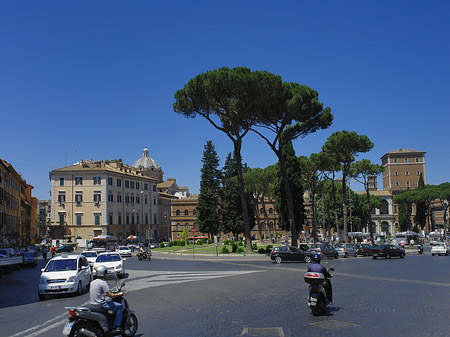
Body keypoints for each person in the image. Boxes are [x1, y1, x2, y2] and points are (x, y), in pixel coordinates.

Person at [90, 265, 124, 330]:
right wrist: (119, 294)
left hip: (93, 304)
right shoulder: (103, 283)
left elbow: (97, 292)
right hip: (101, 305)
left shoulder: (92, 282)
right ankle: (117, 326)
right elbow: (111, 295)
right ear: (104, 273)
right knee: (120, 306)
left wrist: (104, 294)